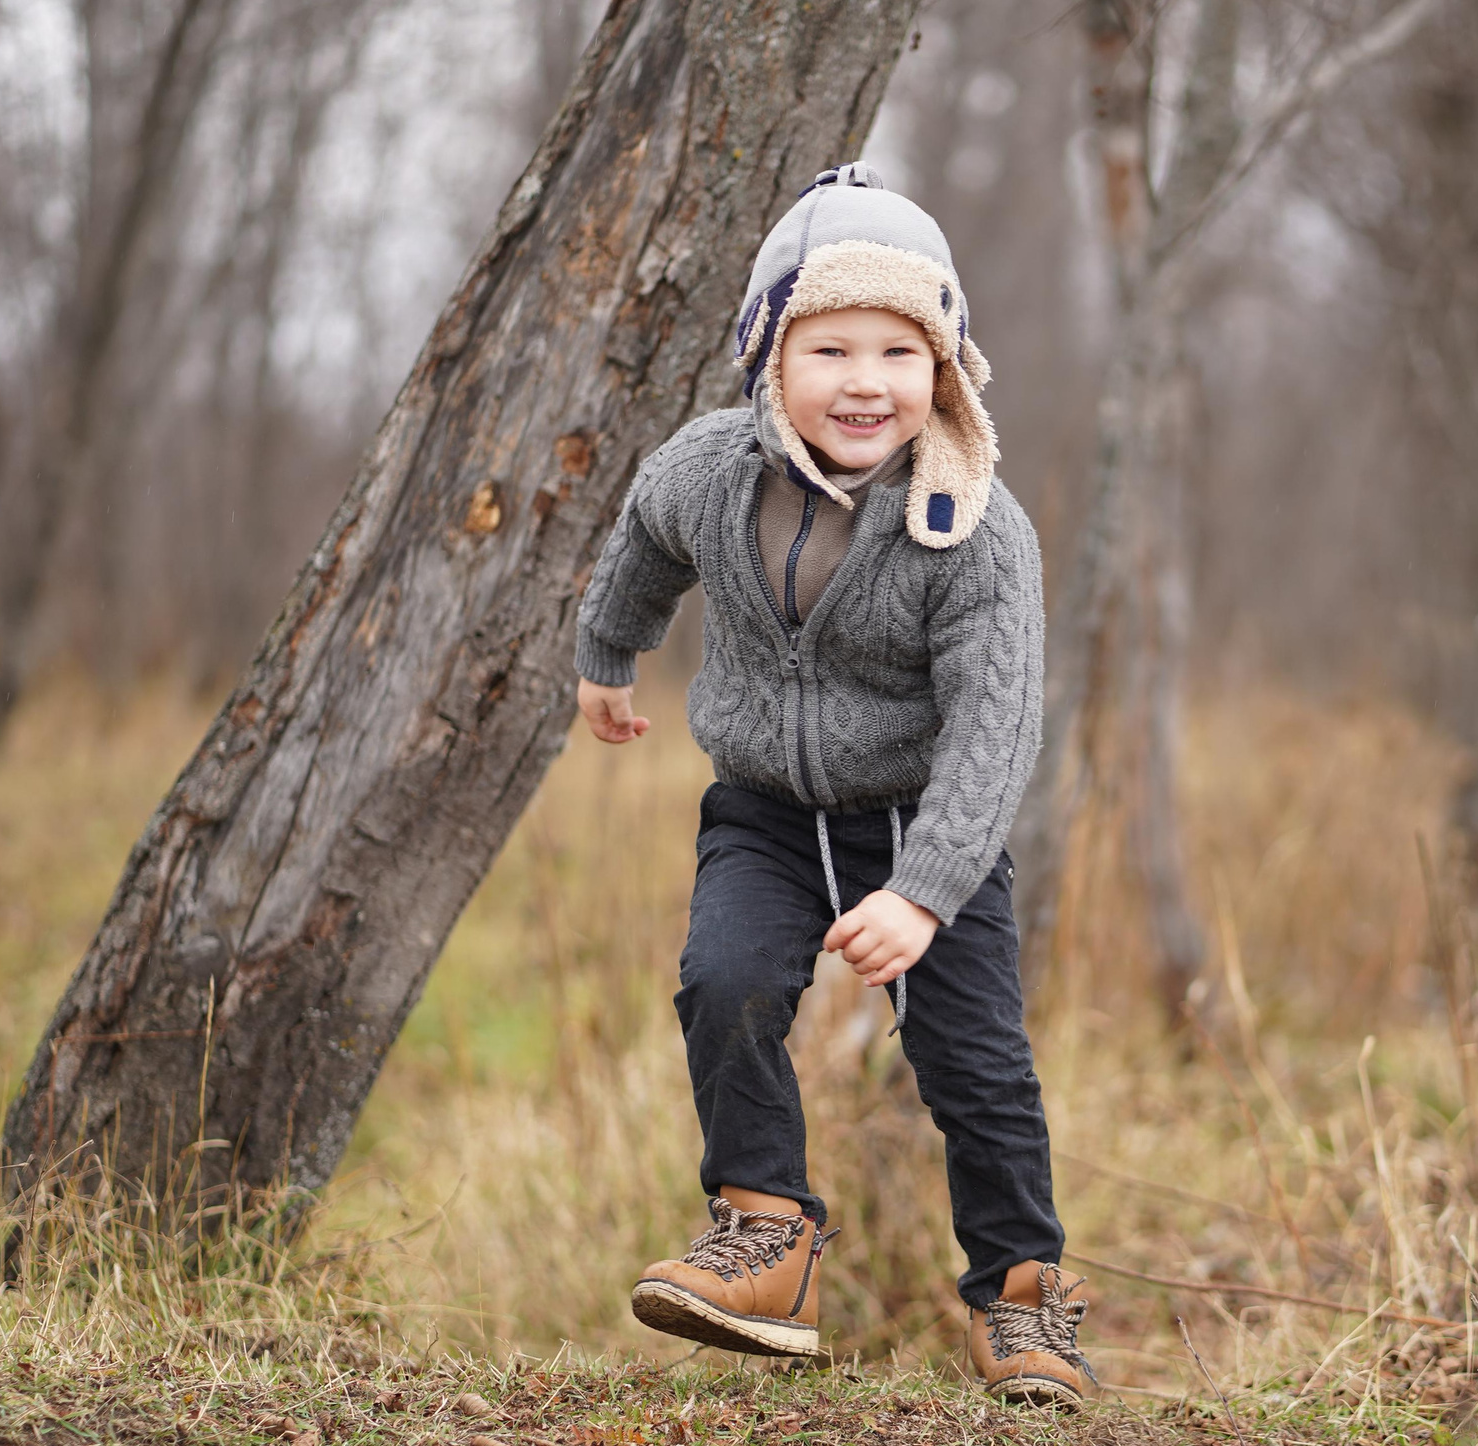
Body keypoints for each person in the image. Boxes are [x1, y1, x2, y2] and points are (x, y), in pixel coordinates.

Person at [572, 163, 1095, 1408]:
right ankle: (767, 1235)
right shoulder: (707, 469)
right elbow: (642, 540)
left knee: (974, 1063)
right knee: (727, 982)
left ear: (945, 367)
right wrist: (607, 650)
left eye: (898, 354)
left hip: (924, 823)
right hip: (761, 809)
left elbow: (994, 726)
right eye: (831, 349)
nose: (865, 383)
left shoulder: (969, 523)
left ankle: (1024, 1299)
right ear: (768, 358)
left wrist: (924, 892)